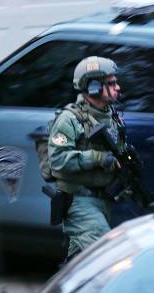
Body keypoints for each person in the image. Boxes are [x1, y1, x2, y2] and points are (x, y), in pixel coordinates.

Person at [48, 56, 125, 261]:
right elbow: (58, 159)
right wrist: (98, 158)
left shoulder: (112, 116)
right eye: (111, 83)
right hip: (79, 202)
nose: (117, 87)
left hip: (104, 200)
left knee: (80, 265)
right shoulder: (70, 119)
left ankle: (64, 291)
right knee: (105, 257)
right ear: (93, 87)